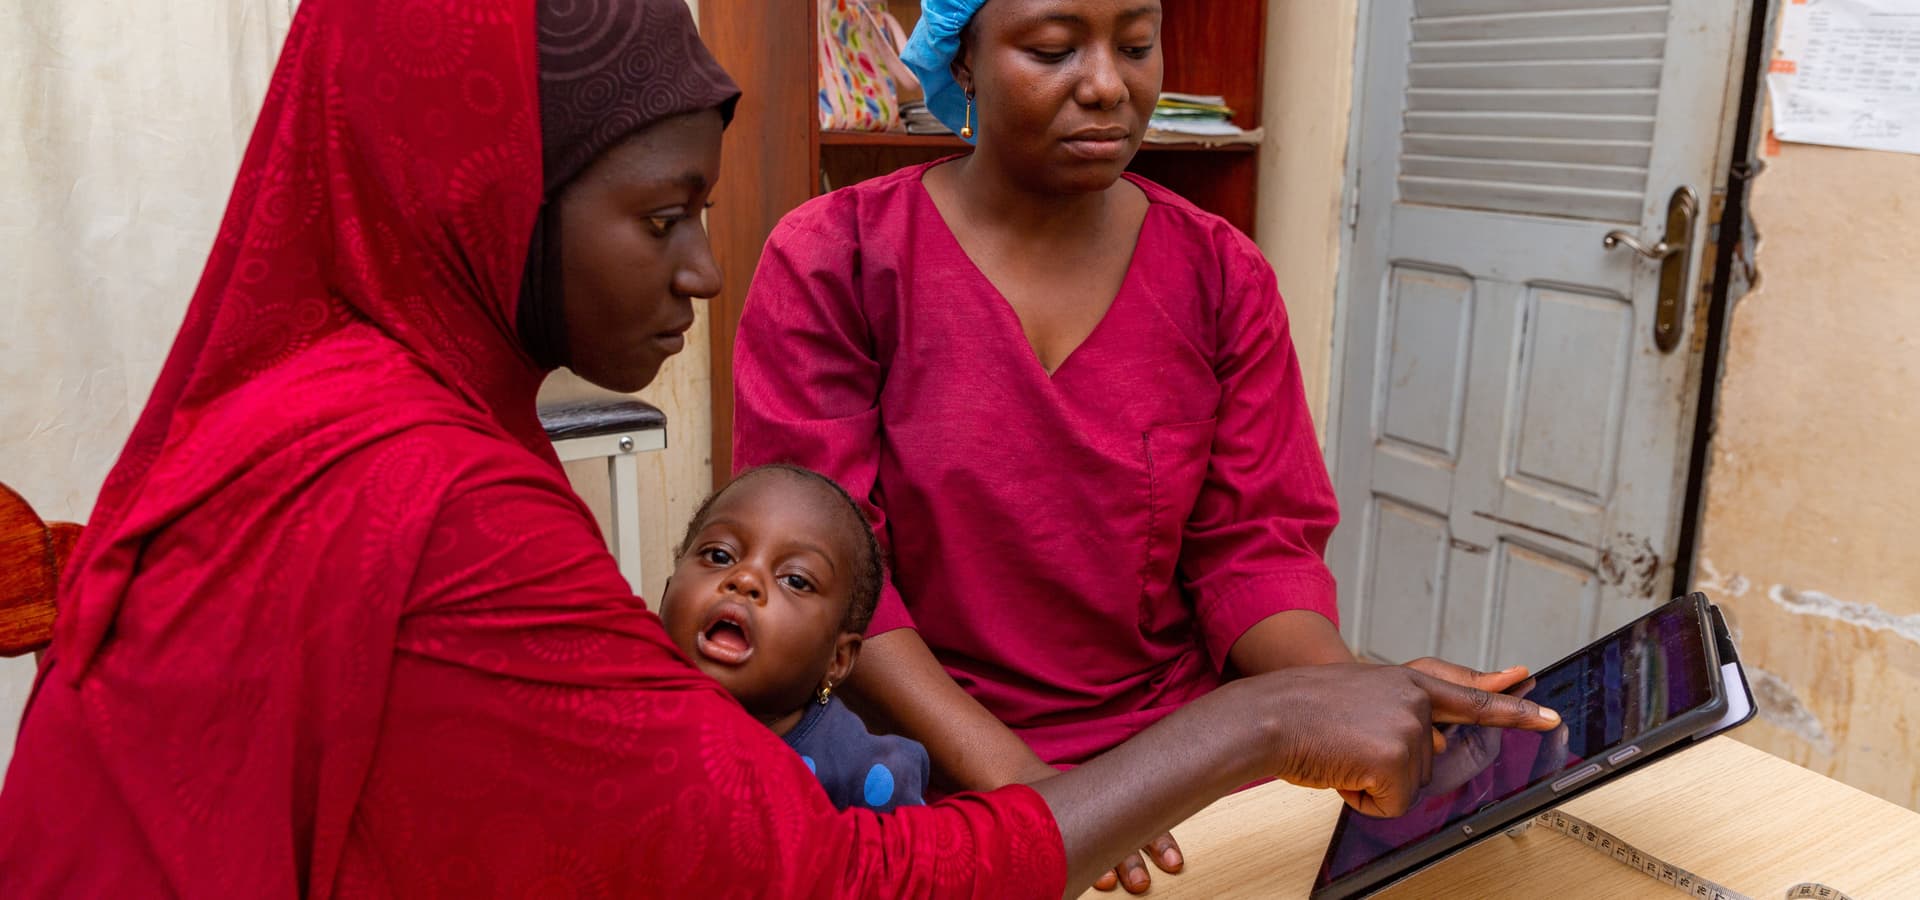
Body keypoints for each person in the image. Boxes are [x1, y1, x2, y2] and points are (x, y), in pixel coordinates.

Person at [0, 0, 1559, 896]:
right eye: (666, 217)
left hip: (1129, 792)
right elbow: (806, 861)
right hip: (984, 799)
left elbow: (1249, 545)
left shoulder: (321, 407)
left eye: (1140, 39)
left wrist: (1316, 697)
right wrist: (1245, 729)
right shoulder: (455, 495)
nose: (700, 268)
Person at [729, 0, 1542, 890]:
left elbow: (1253, 554)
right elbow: (833, 584)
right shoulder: (834, 260)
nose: (1109, 85)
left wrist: (1345, 698)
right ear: (961, 63)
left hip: (1184, 763)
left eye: (1136, 45)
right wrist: (1040, 800)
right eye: (1053, 49)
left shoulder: (1221, 276)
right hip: (932, 762)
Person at [658, 464, 929, 813]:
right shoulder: (620, 718)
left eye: (796, 580)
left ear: (838, 660)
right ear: (665, 595)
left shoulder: (865, 775)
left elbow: (909, 863)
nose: (745, 579)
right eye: (720, 555)